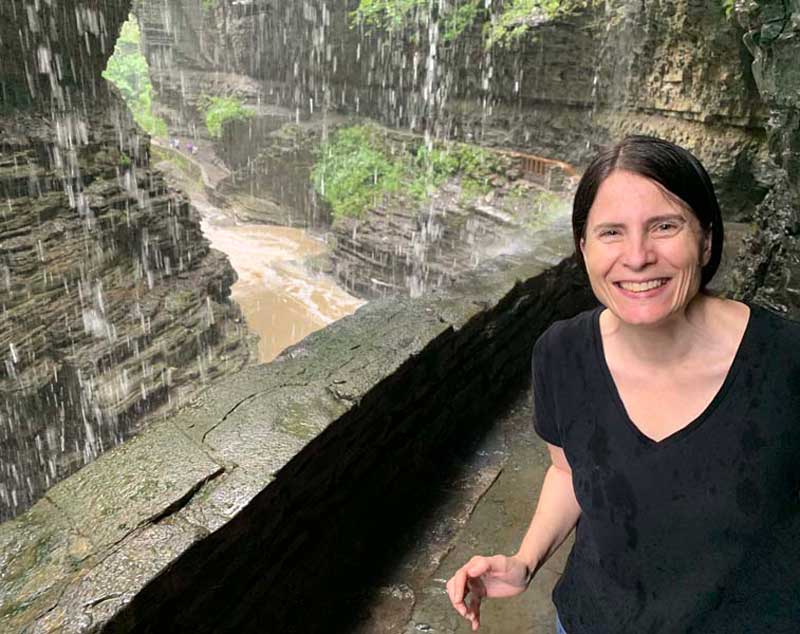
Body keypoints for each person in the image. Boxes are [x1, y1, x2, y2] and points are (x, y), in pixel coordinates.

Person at [446, 135, 800, 632]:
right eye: (611, 232)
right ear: (583, 247)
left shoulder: (786, 360)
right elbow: (568, 473)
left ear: (706, 239)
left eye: (665, 226)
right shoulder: (561, 353)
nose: (637, 257)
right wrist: (525, 561)